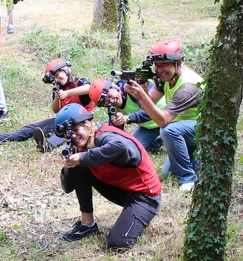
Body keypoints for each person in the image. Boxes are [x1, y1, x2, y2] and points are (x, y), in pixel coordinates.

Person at [54, 104, 162, 248]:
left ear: (88, 125)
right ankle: (88, 225)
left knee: (117, 243)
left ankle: (138, 215)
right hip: (123, 190)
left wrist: (82, 157)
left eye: (75, 130)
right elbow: (68, 188)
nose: (73, 136)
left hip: (145, 197)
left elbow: (122, 147)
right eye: (68, 134)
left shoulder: (105, 136)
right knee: (80, 167)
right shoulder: (83, 143)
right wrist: (68, 168)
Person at [122, 40, 203, 191]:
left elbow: (163, 121)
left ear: (178, 63)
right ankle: (197, 160)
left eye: (164, 64)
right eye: (157, 65)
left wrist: (142, 96)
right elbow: (147, 105)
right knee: (167, 174)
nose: (160, 70)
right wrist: (142, 92)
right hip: (185, 129)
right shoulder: (166, 78)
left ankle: (188, 179)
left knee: (168, 130)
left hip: (203, 130)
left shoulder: (188, 87)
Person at [0, 59, 92, 152]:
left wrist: (67, 93)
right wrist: (57, 96)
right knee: (30, 128)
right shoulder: (59, 89)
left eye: (57, 75)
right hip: (60, 120)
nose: (57, 80)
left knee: (64, 131)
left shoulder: (80, 82)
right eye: (54, 79)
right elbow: (56, 110)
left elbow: (88, 89)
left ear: (65, 70)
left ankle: (47, 145)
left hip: (81, 122)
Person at [98, 79, 164, 152]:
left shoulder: (131, 88)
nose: (112, 101)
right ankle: (159, 140)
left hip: (168, 119)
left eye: (110, 96)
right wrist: (117, 123)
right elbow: (115, 134)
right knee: (133, 148)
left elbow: (149, 112)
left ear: (113, 87)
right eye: (107, 101)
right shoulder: (112, 106)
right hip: (150, 128)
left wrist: (127, 118)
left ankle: (164, 136)